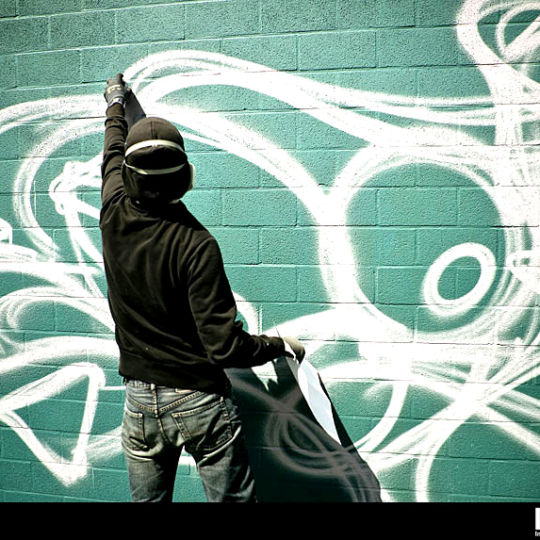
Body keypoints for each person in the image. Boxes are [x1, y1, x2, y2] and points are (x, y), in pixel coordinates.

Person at [100, 74, 305, 502]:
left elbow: (112, 152)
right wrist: (278, 345)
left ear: (127, 176)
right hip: (199, 402)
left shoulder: (113, 211)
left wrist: (116, 104)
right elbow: (224, 347)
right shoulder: (197, 245)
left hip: (138, 401)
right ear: (186, 177)